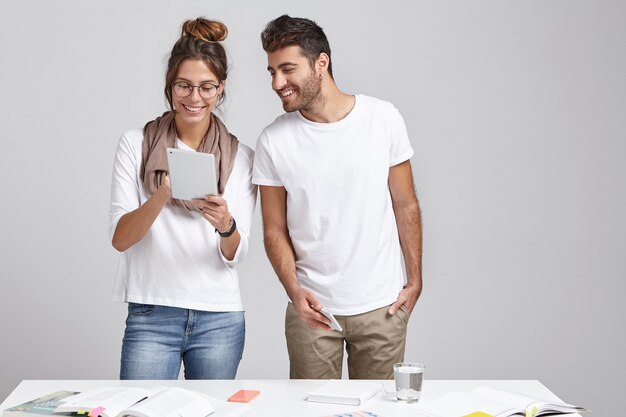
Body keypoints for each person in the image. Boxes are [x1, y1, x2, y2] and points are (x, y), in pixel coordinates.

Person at [253, 15, 423, 379]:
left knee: (379, 408)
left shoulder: (383, 118)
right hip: (312, 311)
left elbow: (405, 203)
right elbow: (273, 230)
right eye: (271, 72)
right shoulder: (273, 141)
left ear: (321, 63)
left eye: (287, 69)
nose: (277, 83)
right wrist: (295, 291)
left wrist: (415, 279)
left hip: (383, 307)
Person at [109, 17, 257, 380]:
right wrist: (161, 194)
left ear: (220, 88)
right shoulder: (136, 144)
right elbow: (121, 238)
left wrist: (226, 225)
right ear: (170, 86)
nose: (194, 98)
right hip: (152, 313)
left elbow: (236, 253)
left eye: (206, 87)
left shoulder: (241, 156)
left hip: (219, 317)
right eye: (184, 86)